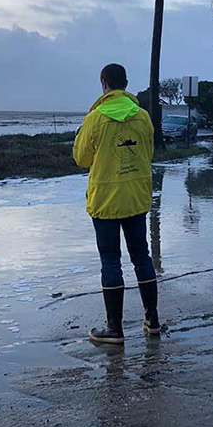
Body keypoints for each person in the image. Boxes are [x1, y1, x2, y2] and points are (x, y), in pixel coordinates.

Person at [73, 63, 159, 344]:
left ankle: (114, 329)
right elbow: (148, 152)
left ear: (103, 83)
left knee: (111, 261)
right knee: (141, 256)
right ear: (126, 83)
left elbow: (81, 158)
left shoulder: (95, 119)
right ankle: (152, 319)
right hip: (136, 196)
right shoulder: (144, 117)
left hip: (106, 201)